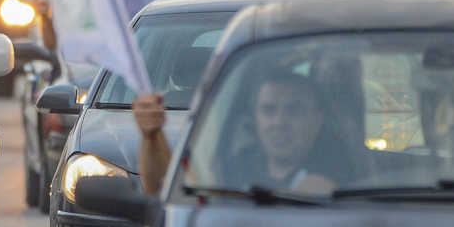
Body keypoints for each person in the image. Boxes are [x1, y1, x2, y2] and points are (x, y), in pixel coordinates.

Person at [133, 75, 335, 196]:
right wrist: (151, 136)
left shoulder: (344, 174)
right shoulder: (232, 168)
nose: (279, 122)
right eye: (268, 110)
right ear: (255, 118)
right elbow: (162, 189)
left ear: (317, 120)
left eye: (294, 111)